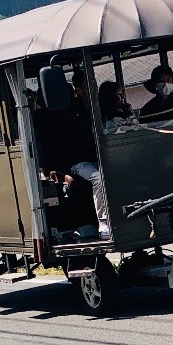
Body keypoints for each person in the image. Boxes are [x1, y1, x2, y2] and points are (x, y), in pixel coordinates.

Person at [63, 67, 111, 240]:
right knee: (99, 177)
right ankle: (104, 223)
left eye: (94, 83)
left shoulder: (101, 107)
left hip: (104, 157)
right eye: (88, 85)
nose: (93, 88)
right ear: (78, 89)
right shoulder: (71, 111)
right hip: (81, 163)